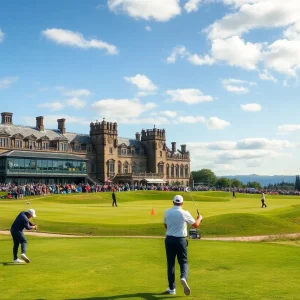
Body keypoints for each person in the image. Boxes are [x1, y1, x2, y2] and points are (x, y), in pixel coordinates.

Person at [164, 195, 202, 296]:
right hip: (181, 240)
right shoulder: (185, 213)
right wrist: (200, 218)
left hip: (169, 240)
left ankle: (172, 289)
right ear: (182, 203)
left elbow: (165, 225)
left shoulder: (167, 212)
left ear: (173, 202)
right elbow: (195, 225)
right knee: (183, 262)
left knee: (170, 264)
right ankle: (183, 277)